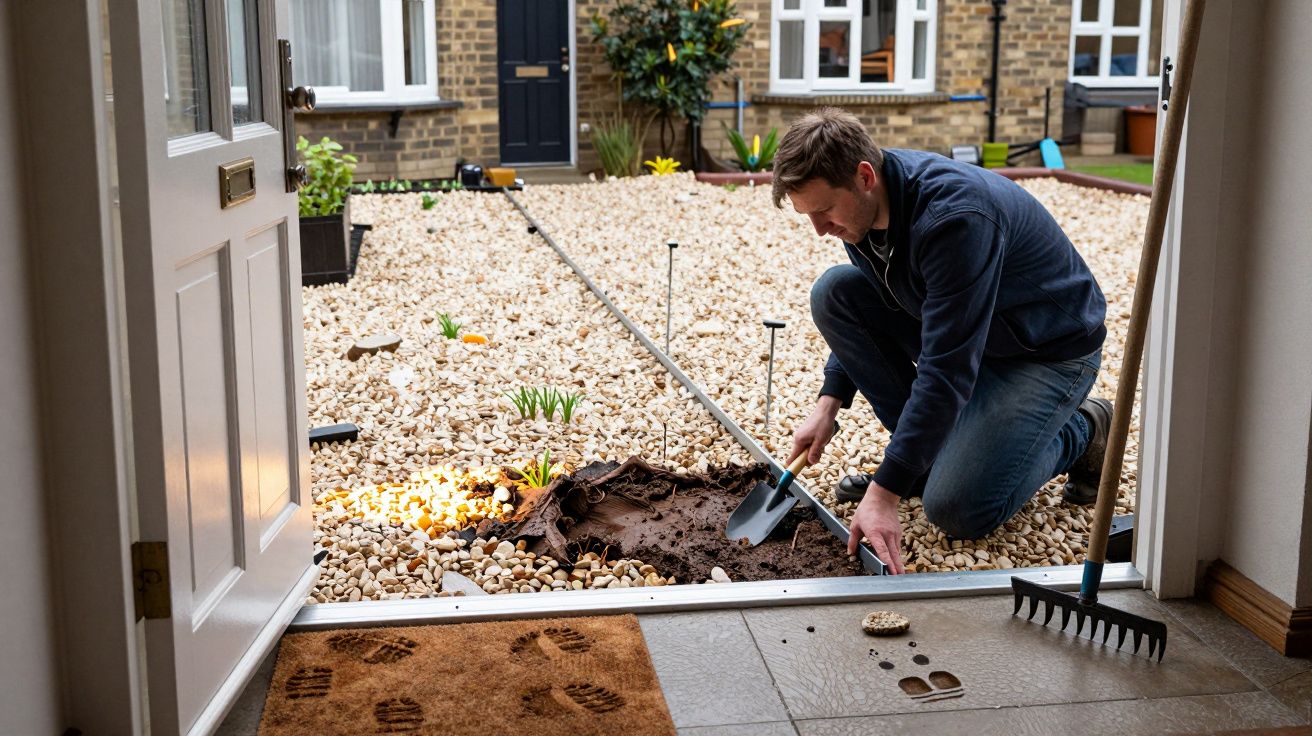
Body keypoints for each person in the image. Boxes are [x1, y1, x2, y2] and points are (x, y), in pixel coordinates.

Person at [775, 108, 1112, 575]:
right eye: (808, 215)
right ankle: (924, 463)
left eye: (824, 211)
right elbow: (886, 299)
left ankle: (1085, 429)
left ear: (864, 176)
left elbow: (947, 369)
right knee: (835, 293)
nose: (819, 229)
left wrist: (883, 491)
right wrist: (828, 403)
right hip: (971, 334)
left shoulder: (954, 219)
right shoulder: (863, 209)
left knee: (958, 511)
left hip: (1043, 353)